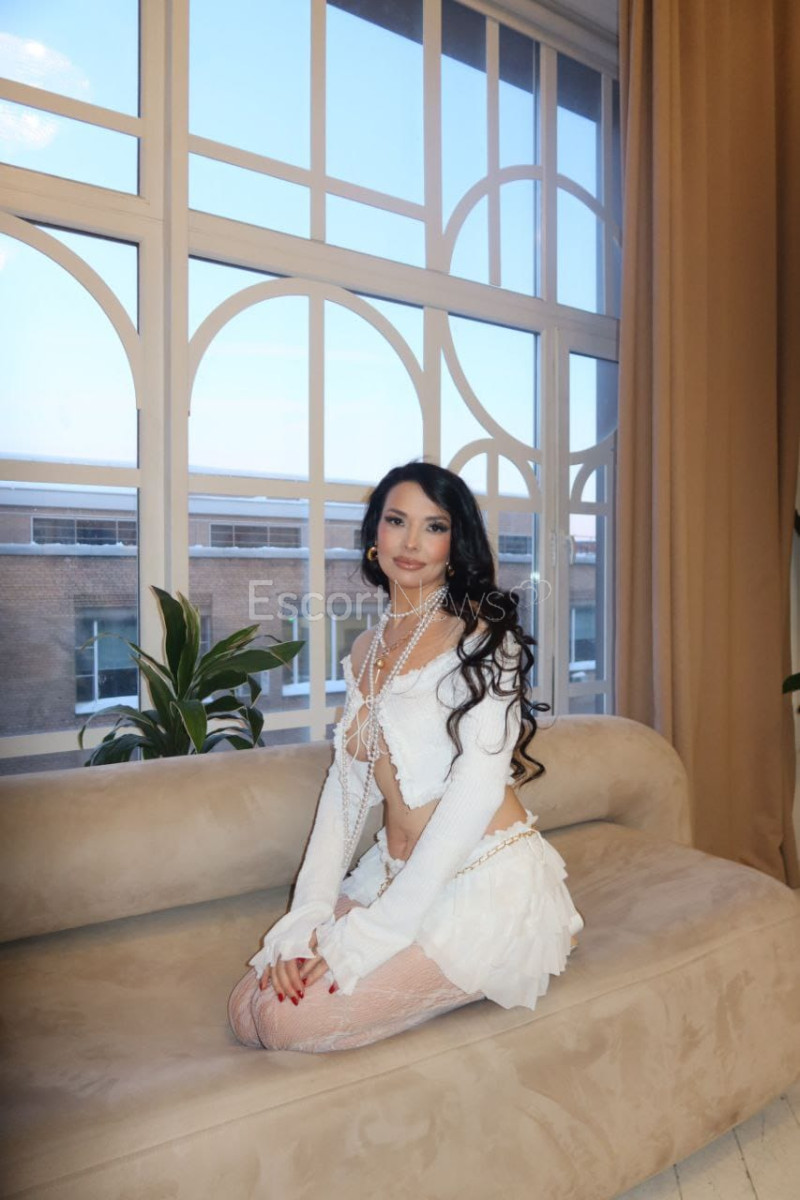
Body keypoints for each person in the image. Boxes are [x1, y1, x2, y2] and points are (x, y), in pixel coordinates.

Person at [228, 461, 583, 1053]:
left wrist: (377, 933)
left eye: (434, 526)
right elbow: (346, 791)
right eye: (397, 521)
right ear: (375, 534)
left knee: (284, 1022)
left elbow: (476, 789)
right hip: (391, 875)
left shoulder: (485, 638)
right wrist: (307, 917)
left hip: (479, 884)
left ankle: (517, 943)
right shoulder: (367, 648)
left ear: (455, 544)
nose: (412, 542)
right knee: (248, 1009)